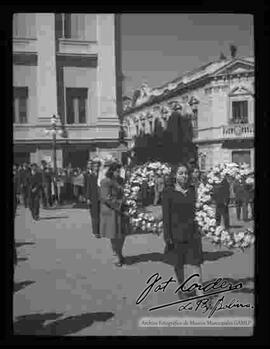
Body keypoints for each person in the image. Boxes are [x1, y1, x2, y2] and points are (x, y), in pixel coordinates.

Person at [162, 164, 204, 299]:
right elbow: (166, 215)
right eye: (181, 173)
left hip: (193, 232)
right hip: (176, 233)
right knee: (178, 263)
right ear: (175, 175)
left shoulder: (193, 190)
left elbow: (200, 209)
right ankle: (183, 288)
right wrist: (167, 236)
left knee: (195, 262)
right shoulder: (168, 192)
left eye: (186, 173)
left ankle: (199, 291)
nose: (184, 176)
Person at [99, 162, 126, 267]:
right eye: (117, 171)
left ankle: (119, 252)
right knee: (114, 234)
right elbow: (105, 197)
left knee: (123, 234)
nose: (119, 173)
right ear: (111, 171)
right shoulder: (105, 181)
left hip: (121, 210)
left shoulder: (121, 180)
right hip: (111, 210)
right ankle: (116, 255)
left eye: (120, 171)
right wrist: (119, 203)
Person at [85, 159, 101, 238]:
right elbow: (88, 188)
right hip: (93, 198)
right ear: (93, 167)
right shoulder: (90, 176)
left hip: (101, 198)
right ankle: (96, 232)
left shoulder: (101, 176)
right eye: (95, 166)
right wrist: (88, 198)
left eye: (98, 166)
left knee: (101, 215)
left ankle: (101, 230)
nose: (96, 168)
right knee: (94, 215)